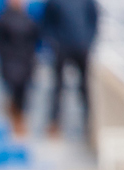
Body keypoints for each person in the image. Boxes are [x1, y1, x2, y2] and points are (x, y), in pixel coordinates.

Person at [41, 0, 99, 136]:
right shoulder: (54, 2)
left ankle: (89, 124)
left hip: (81, 49)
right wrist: (55, 44)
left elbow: (94, 21)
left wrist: (87, 42)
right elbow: (46, 24)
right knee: (58, 87)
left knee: (84, 88)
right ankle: (55, 123)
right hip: (61, 49)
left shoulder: (87, 2)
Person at [0, 0, 39, 138]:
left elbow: (35, 38)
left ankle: (20, 117)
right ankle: (14, 119)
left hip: (26, 60)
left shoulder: (28, 18)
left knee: (24, 91)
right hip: (10, 61)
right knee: (13, 89)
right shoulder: (3, 18)